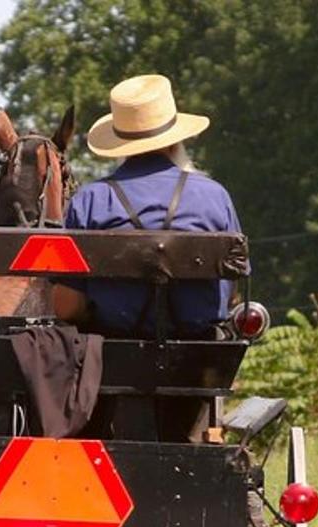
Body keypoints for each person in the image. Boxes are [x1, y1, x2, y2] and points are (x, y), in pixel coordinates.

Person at [52, 74, 244, 340]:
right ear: (176, 140)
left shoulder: (89, 201)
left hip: (112, 354)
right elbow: (231, 288)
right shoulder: (214, 196)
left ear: (121, 145)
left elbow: (66, 306)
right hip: (200, 353)